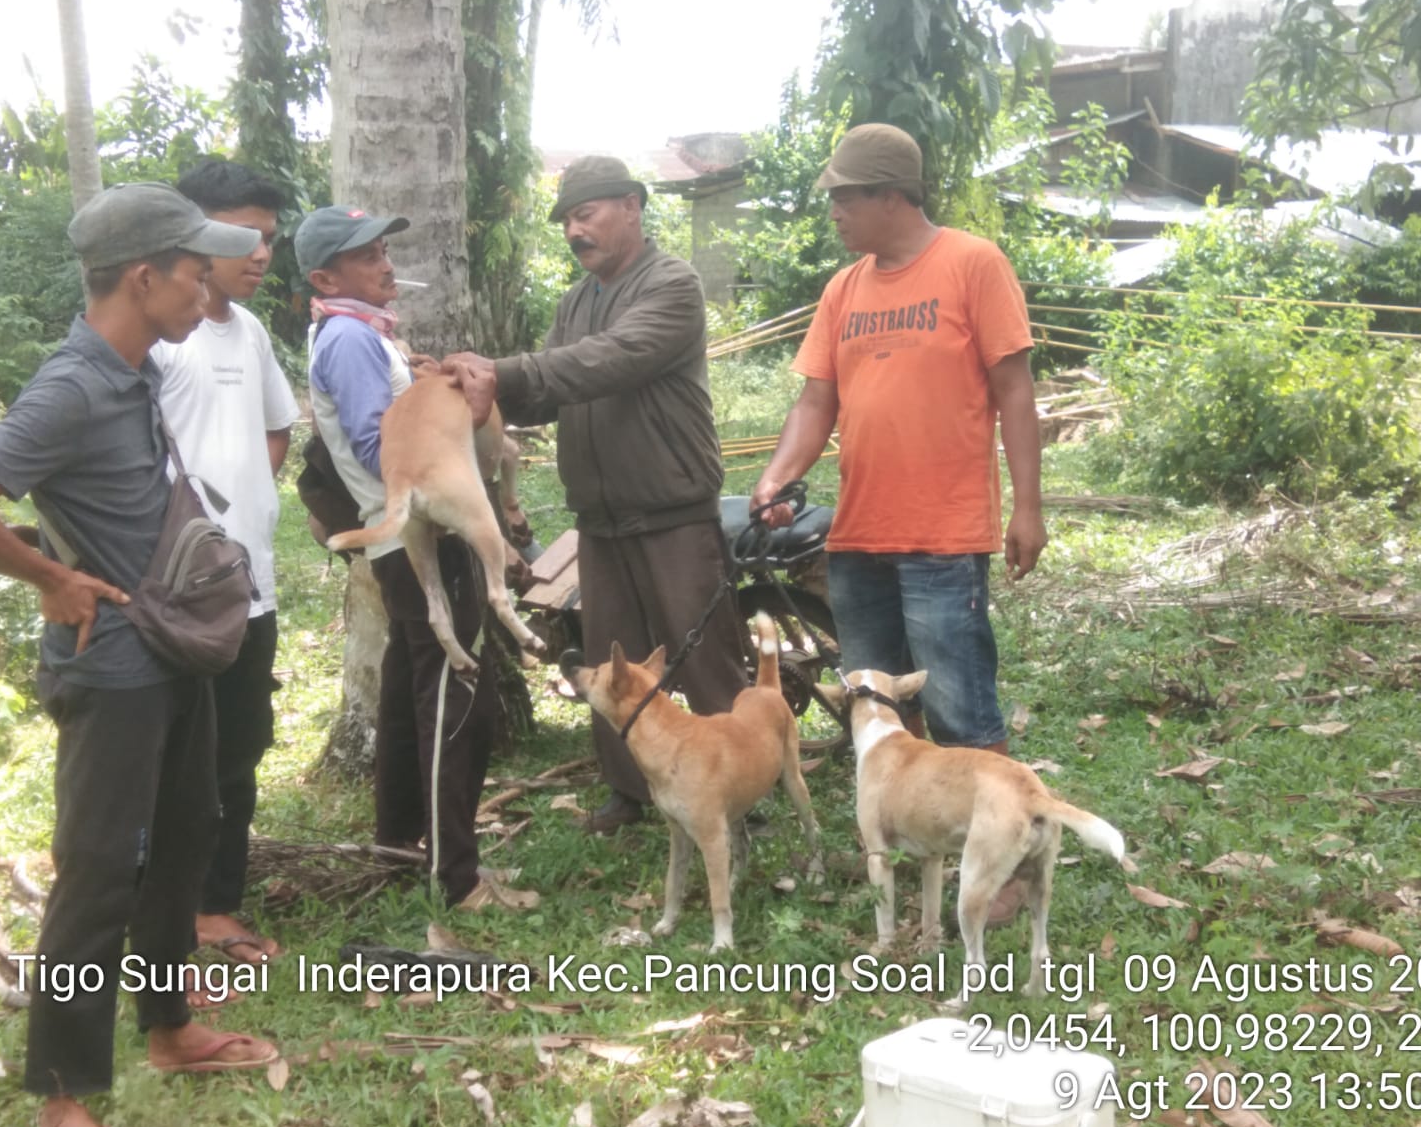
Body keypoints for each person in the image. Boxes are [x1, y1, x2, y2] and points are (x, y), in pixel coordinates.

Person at [0, 182, 277, 1127]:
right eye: (193, 268)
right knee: (96, 879)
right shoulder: (73, 385)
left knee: (181, 842)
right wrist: (51, 578)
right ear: (144, 276)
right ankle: (64, 1104)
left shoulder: (135, 372)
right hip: (113, 671)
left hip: (170, 654)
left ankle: (169, 1030)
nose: (208, 285)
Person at [450, 155, 748, 835]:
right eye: (567, 220)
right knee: (615, 665)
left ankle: (739, 792)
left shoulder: (671, 284)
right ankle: (631, 792)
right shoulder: (574, 303)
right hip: (601, 518)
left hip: (673, 511)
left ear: (632, 207)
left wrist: (499, 369)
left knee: (703, 657)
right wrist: (476, 393)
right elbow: (555, 388)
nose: (574, 230)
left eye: (587, 214)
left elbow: (612, 359)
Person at [752, 122, 1047, 757]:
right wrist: (775, 479)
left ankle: (1003, 846)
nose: (834, 213)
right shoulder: (844, 288)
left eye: (844, 198)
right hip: (859, 536)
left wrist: (1028, 508)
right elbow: (815, 401)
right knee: (881, 709)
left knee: (960, 710)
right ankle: (920, 833)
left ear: (892, 197)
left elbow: (1016, 392)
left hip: (943, 537)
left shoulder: (973, 264)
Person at [295, 204, 502, 908]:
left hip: (394, 535)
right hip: (420, 533)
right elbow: (375, 442)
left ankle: (400, 838)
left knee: (411, 683)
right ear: (326, 276)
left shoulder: (358, 335)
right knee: (452, 686)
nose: (386, 264)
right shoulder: (351, 339)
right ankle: (458, 876)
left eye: (384, 250)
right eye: (367, 256)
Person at [149, 160, 299, 971]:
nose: (262, 254)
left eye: (270, 239)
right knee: (178, 756)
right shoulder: (162, 339)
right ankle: (165, 910)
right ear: (193, 234)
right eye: (246, 237)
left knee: (239, 749)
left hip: (251, 585)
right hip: (177, 595)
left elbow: (277, 424)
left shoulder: (249, 331)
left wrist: (246, 502)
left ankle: (217, 905)